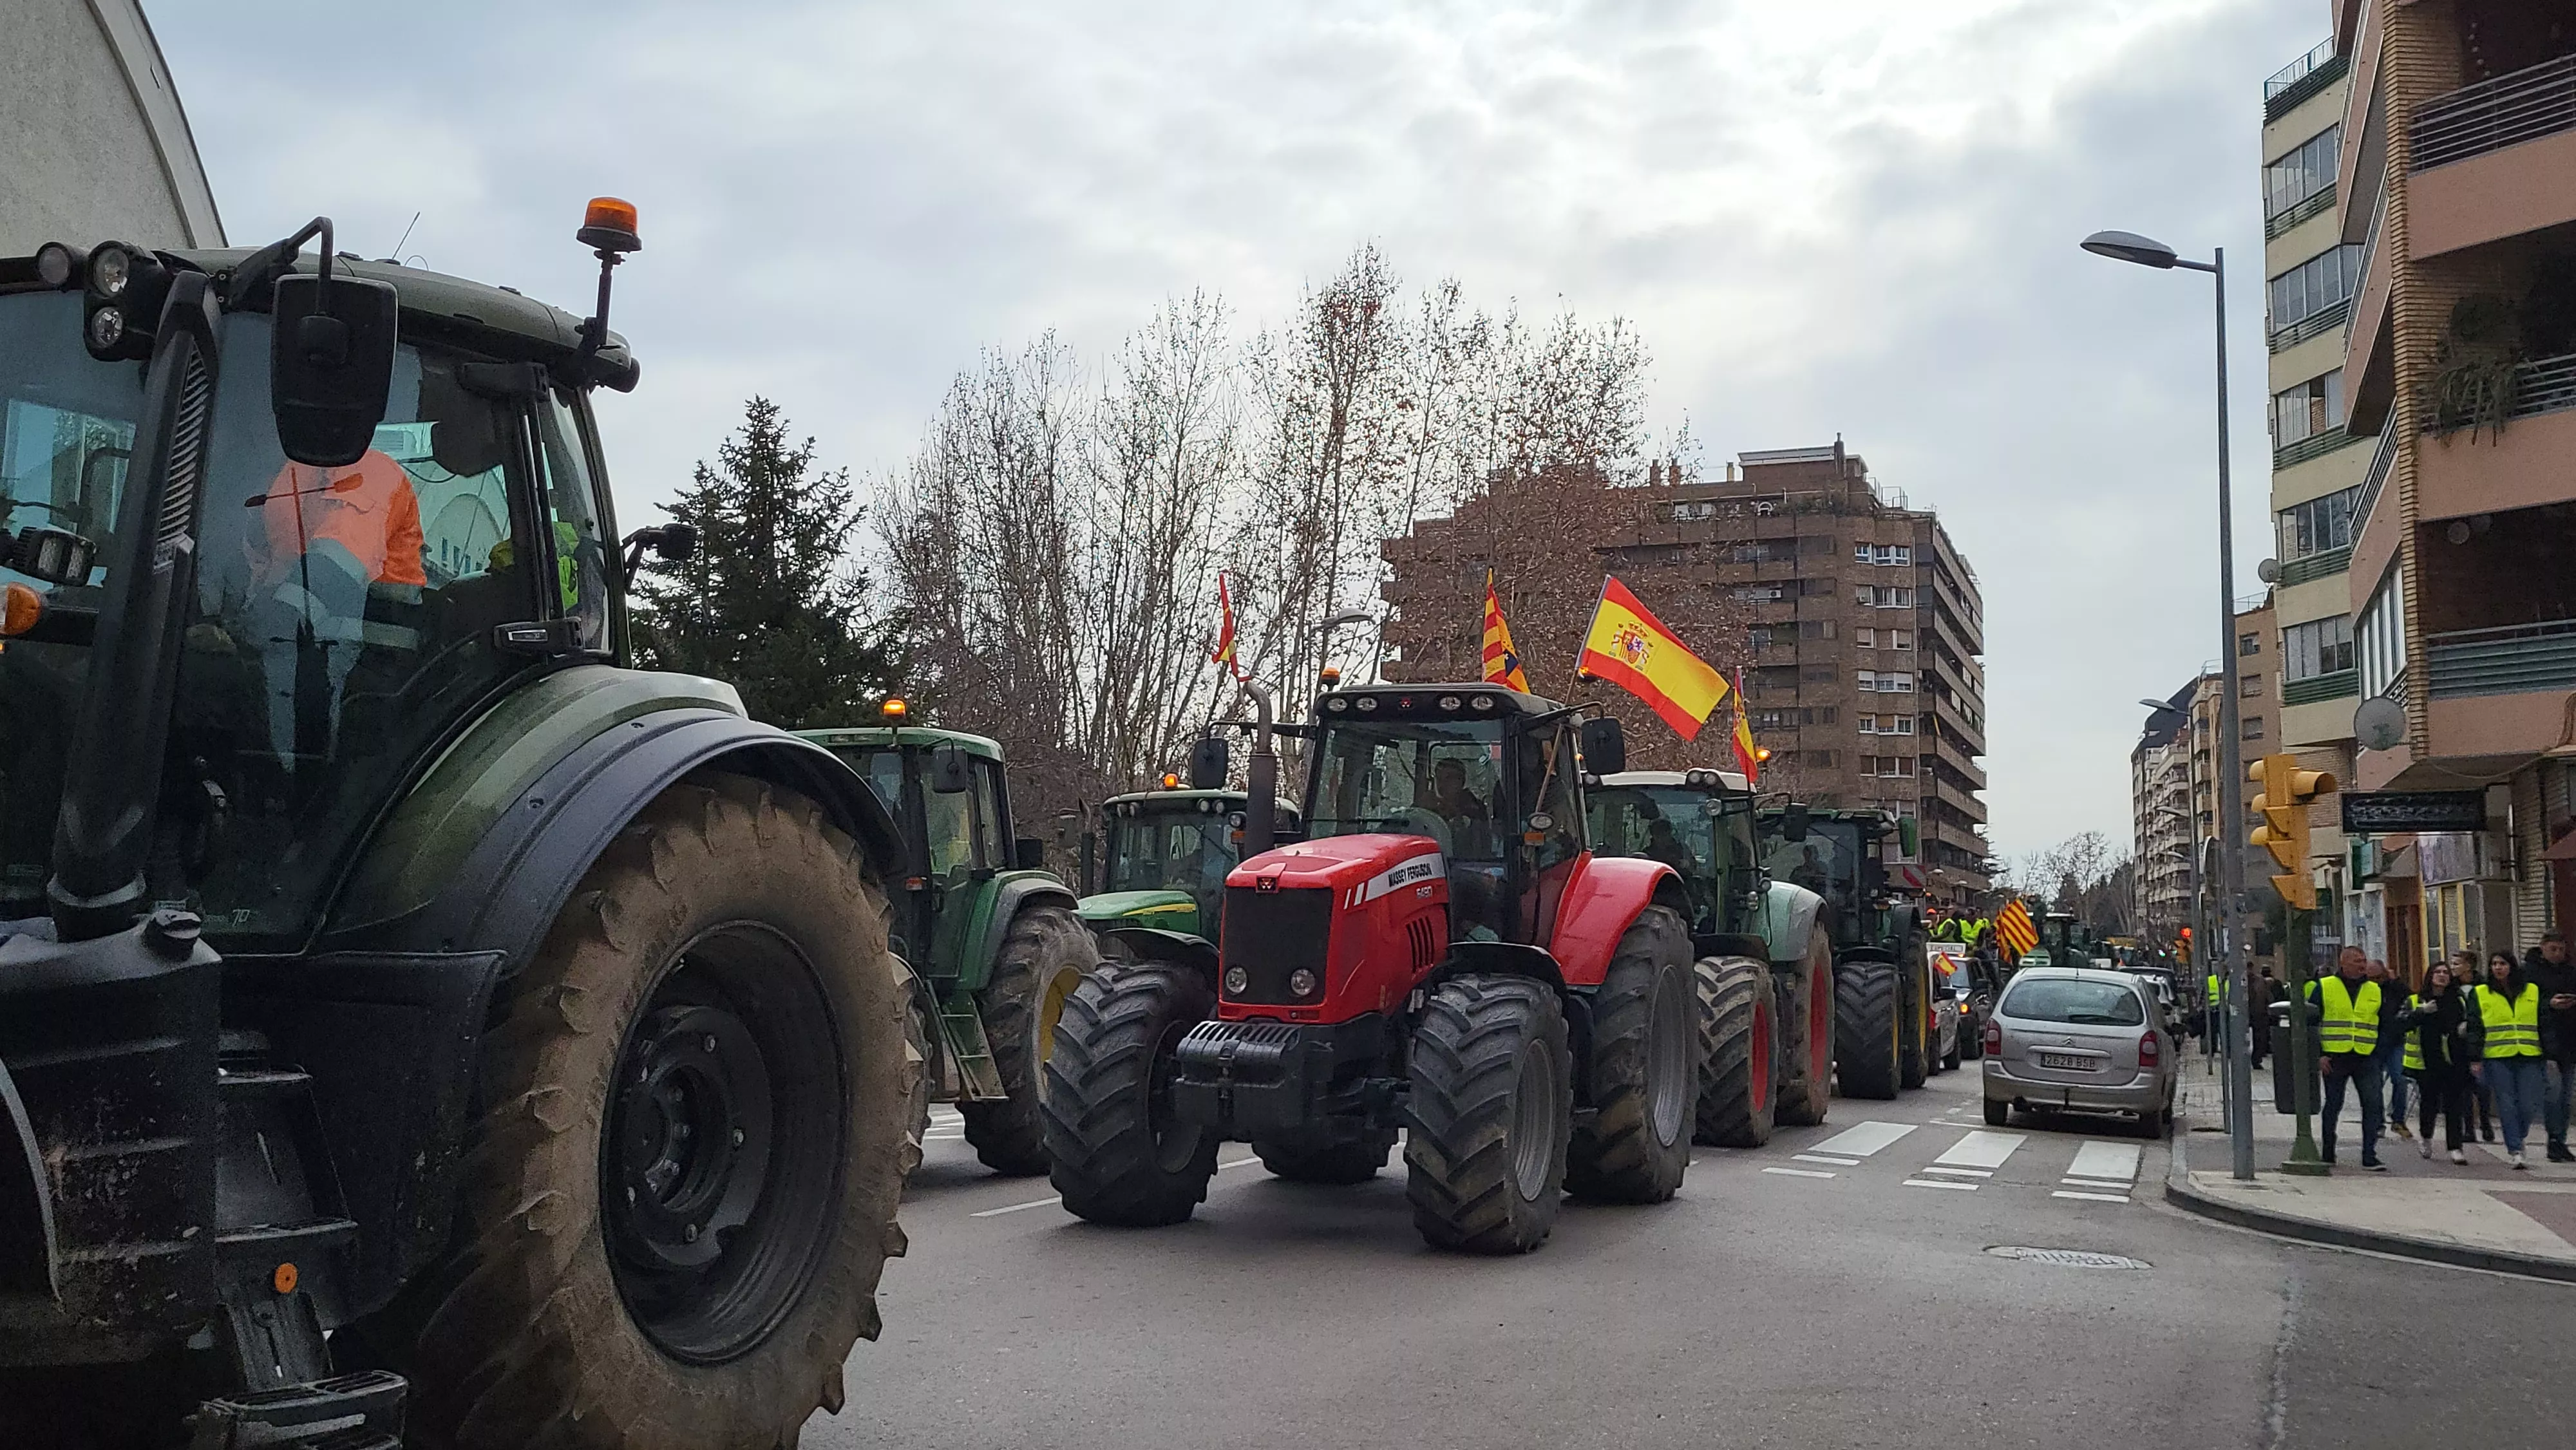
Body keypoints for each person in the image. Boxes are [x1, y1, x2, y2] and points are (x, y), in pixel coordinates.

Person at [240, 450, 427, 769]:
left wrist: (244, 635)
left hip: (367, 671)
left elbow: (331, 571)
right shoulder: (290, 474)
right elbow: (264, 569)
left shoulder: (373, 473)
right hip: (306, 650)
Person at [2469, 948, 2549, 1169]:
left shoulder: (2531, 990)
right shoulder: (2481, 993)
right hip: (2497, 1056)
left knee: (2528, 1104)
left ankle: (2519, 1134)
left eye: (2502, 964)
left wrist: (2549, 1051)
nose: (2498, 968)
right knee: (2507, 1103)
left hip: (2529, 1054)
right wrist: (2475, 1058)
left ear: (2512, 966)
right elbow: (2475, 1027)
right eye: (2494, 964)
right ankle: (2515, 1148)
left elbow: (2543, 1021)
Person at [2309, 946, 2387, 1169]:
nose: (2362, 965)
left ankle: (2370, 1155)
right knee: (2333, 1104)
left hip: (2366, 1055)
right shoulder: (2324, 987)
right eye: (2357, 961)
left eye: (2364, 960)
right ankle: (2328, 1152)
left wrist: (2379, 1052)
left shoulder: (2375, 989)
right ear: (2343, 963)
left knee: (2373, 1105)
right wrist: (2320, 1055)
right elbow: (2311, 1023)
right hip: (2335, 1056)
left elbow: (2383, 1023)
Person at [2401, 956, 2476, 1163]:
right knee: (2430, 1103)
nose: (2442, 976)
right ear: (2430, 977)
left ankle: (2455, 1147)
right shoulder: (2416, 999)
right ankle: (2426, 1137)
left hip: (2454, 1059)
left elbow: (2471, 1022)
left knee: (2454, 1104)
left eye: (2446, 973)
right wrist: (2421, 1013)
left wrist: (2465, 1030)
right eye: (2438, 972)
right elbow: (2401, 1023)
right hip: (2427, 1060)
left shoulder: (2458, 1001)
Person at [2524, 930, 2576, 1163]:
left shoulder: (2570, 973)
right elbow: (2525, 1005)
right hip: (2544, 1043)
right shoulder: (2530, 973)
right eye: (2553, 949)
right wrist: (2549, 1004)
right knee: (2553, 1094)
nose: (2558, 954)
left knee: (2566, 1096)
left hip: (2569, 1041)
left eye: (2561, 949)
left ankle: (2559, 1140)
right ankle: (2554, 1140)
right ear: (2543, 948)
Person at [2370, 958, 2412, 1140]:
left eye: (2379, 977)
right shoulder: (2366, 989)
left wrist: (2395, 982)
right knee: (2374, 1085)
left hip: (2395, 1041)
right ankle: (2377, 1122)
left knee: (2400, 1079)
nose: (2376, 982)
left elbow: (2410, 1000)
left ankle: (2398, 1120)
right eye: (2372, 978)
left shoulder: (2396, 988)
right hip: (2372, 1043)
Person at [2249, 968, 2278, 1069]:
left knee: (2259, 1039)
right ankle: (2256, 1060)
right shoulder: (2261, 982)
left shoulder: (2256, 982)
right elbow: (2269, 998)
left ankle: (2255, 1059)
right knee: (2260, 1039)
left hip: (2255, 1014)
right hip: (2260, 1014)